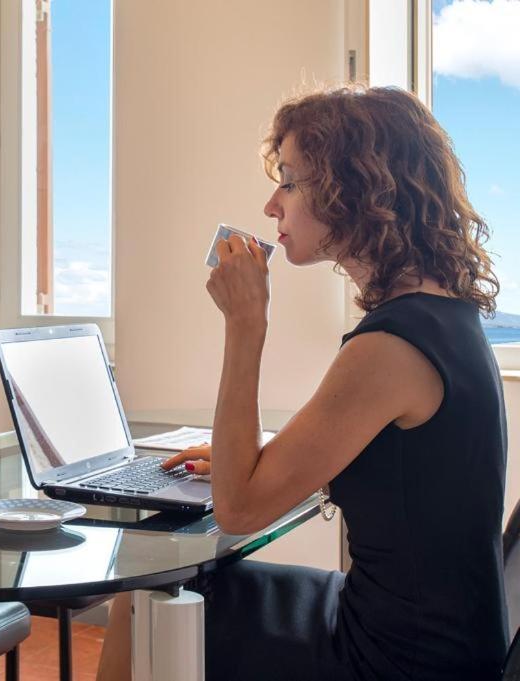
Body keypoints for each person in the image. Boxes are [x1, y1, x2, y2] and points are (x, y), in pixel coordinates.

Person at [96, 85, 508, 681]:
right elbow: (381, 471)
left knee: (143, 599)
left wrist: (246, 324)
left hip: (400, 660)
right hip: (443, 639)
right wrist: (247, 458)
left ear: (354, 190)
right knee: (170, 589)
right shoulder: (438, 315)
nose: (271, 205)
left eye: (289, 180)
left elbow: (238, 510)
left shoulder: (391, 347)